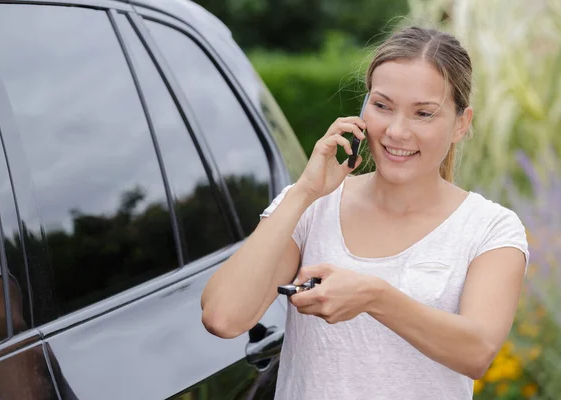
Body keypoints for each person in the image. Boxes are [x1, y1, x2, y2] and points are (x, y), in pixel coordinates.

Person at [200, 26, 529, 399]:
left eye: (423, 113)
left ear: (461, 124)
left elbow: (478, 351)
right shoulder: (311, 206)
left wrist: (374, 296)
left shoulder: (490, 229)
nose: (397, 131)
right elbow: (223, 317)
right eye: (382, 105)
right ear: (362, 109)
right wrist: (304, 192)